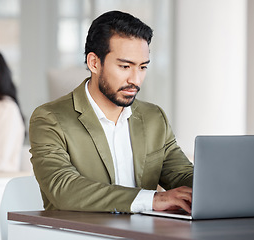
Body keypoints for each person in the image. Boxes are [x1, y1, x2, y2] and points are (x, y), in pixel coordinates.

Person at [29, 11, 193, 213]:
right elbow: (64, 188)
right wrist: (152, 200)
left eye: (142, 67)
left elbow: (182, 175)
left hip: (145, 233)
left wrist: (222, 186)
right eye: (125, 66)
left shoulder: (154, 118)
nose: (136, 79)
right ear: (94, 63)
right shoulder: (49, 119)